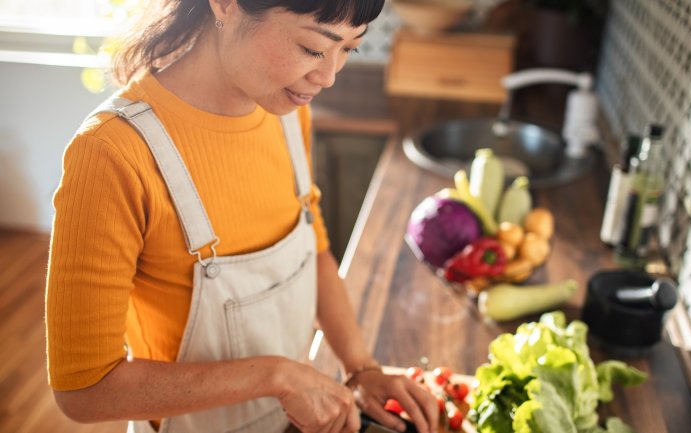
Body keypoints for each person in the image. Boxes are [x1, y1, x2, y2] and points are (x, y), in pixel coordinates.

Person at [45, 1, 439, 433]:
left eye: (350, 49)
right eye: (312, 48)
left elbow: (313, 245)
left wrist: (361, 367)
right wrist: (274, 376)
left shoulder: (284, 110)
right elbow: (84, 390)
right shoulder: (112, 153)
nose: (327, 76)